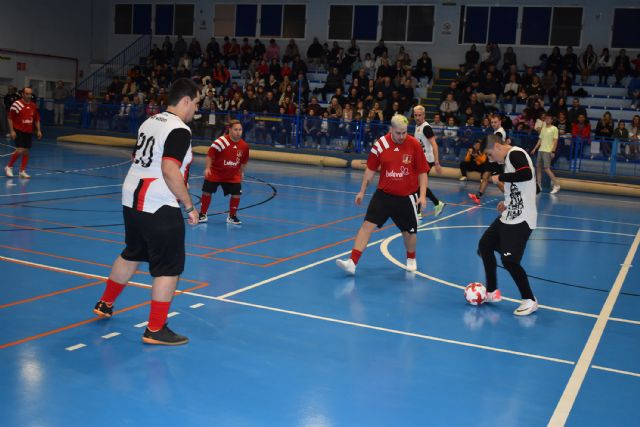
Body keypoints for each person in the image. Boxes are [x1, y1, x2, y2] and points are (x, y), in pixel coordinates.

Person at [92, 78, 200, 345]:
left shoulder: (150, 122)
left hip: (132, 197)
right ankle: (155, 328)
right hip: (158, 203)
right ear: (185, 101)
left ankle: (105, 303)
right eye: (196, 103)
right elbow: (169, 169)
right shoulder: (180, 129)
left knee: (133, 252)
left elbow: (136, 157)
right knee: (168, 268)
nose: (197, 109)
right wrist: (189, 205)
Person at [336, 115, 428, 275]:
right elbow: (370, 169)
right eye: (398, 133)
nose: (401, 136)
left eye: (404, 133)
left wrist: (422, 195)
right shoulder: (380, 145)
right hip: (384, 196)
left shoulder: (414, 145)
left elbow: (423, 172)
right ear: (391, 129)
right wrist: (362, 191)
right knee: (366, 226)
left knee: (410, 233)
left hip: (406, 197)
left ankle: (411, 258)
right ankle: (352, 262)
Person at [478, 134, 539, 316]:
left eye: (490, 154)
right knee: (485, 245)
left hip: (522, 218)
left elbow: (526, 174)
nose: (491, 159)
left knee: (510, 261)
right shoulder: (509, 160)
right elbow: (522, 186)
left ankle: (529, 299)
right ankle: (492, 292)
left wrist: (500, 177)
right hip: (510, 213)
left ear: (497, 146)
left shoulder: (514, 154)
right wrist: (508, 201)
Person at [198, 120, 249, 225]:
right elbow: (209, 155)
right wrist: (207, 168)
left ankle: (232, 216)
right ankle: (202, 214)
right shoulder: (221, 142)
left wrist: (242, 172)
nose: (238, 132)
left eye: (240, 130)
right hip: (216, 173)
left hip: (232, 175)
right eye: (235, 129)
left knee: (236, 194)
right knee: (206, 191)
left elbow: (243, 161)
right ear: (230, 130)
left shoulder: (244, 146)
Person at [413, 105, 446, 217]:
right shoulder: (417, 126)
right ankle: (437, 203)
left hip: (427, 160)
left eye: (420, 115)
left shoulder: (426, 128)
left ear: (424, 115)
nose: (417, 117)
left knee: (418, 184)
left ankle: (418, 212)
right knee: (419, 184)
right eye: (416, 115)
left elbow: (434, 145)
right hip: (420, 160)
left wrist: (437, 162)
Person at [468, 115, 507, 204]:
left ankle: (511, 197)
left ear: (500, 122)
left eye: (495, 122)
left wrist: (482, 148)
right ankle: (478, 197)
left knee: (497, 181)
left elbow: (494, 144)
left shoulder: (499, 132)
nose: (493, 124)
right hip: (492, 159)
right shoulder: (496, 131)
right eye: (492, 122)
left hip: (497, 160)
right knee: (485, 176)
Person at [5, 87, 42, 178]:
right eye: (27, 94)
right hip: (19, 130)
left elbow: (36, 119)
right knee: (20, 149)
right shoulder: (17, 104)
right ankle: (9, 167)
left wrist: (39, 130)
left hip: (28, 131)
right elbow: (10, 118)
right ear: (22, 94)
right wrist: (12, 131)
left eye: (30, 94)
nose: (29, 96)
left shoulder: (33, 105)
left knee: (26, 151)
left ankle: (22, 171)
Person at [531, 114, 561, 194]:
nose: (547, 120)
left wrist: (553, 151)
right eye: (546, 119)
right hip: (541, 150)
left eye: (549, 118)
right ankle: (539, 185)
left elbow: (555, 141)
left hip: (548, 151)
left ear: (551, 120)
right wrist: (535, 148)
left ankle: (557, 185)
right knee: (538, 168)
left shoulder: (554, 129)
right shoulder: (543, 128)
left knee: (547, 169)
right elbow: (540, 140)